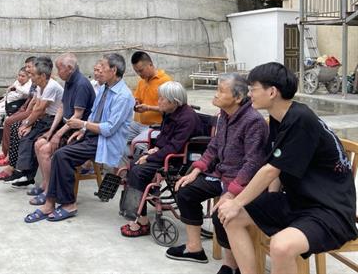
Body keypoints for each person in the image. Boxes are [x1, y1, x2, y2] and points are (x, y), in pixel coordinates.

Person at [217, 62, 358, 274]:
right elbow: (279, 163)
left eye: (253, 88)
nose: (249, 93)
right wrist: (270, 201)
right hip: (297, 201)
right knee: (230, 218)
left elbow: (271, 170)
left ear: (272, 92)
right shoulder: (279, 118)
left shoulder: (301, 119)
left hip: (329, 210)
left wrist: (237, 202)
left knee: (281, 246)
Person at [166, 73, 268, 274]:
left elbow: (253, 163)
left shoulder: (253, 121)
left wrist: (231, 193)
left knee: (221, 213)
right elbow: (214, 146)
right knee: (185, 190)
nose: (216, 94)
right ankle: (194, 248)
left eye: (221, 91)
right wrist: (196, 170)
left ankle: (232, 265)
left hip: (242, 182)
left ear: (238, 97)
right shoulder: (224, 115)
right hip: (221, 175)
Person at [24, 53, 135, 223]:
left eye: (102, 67)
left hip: (105, 141)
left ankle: (66, 204)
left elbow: (109, 129)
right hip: (92, 134)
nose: (99, 71)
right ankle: (50, 201)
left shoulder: (123, 96)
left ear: (113, 70)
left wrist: (82, 125)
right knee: (57, 152)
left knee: (62, 155)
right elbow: (94, 114)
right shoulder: (104, 88)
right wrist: (82, 130)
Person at [119, 81, 204, 237]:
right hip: (167, 154)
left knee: (138, 171)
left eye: (162, 99)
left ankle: (142, 221)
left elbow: (174, 147)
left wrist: (150, 157)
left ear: (174, 101)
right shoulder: (170, 112)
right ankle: (136, 207)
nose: (158, 102)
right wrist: (156, 148)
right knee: (133, 163)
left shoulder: (187, 118)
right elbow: (165, 136)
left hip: (178, 160)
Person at [28, 53, 95, 204]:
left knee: (45, 150)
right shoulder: (69, 81)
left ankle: (49, 191)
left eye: (59, 69)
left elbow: (77, 116)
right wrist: (51, 132)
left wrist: (58, 135)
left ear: (69, 68)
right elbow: (62, 108)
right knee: (39, 143)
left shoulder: (81, 84)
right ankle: (46, 184)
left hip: (79, 132)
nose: (57, 73)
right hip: (67, 127)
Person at [4, 57, 64, 187]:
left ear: (42, 76)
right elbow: (36, 106)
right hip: (44, 118)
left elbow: (40, 109)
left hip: (53, 120)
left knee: (31, 138)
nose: (30, 77)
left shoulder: (51, 86)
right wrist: (28, 124)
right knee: (24, 133)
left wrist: (27, 124)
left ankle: (27, 175)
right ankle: (23, 172)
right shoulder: (40, 85)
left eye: (32, 74)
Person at [0, 56, 37, 171]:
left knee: (10, 122)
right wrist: (23, 108)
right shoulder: (33, 79)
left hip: (34, 110)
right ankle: (5, 152)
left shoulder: (37, 80)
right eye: (26, 66)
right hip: (27, 105)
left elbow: (37, 102)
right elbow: (32, 98)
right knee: (8, 120)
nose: (26, 69)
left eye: (29, 66)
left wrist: (26, 115)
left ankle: (9, 156)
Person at [128, 51, 172, 149]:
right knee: (117, 137)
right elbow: (137, 98)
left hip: (155, 125)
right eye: (136, 71)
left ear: (150, 65)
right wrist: (136, 103)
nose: (139, 74)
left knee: (138, 145)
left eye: (141, 70)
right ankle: (126, 159)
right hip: (137, 123)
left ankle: (144, 158)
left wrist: (148, 108)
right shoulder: (142, 82)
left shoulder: (165, 81)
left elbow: (170, 109)